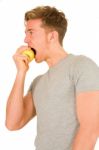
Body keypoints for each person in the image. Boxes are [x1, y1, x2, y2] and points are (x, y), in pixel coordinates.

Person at [5, 5, 99, 150]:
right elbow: (12, 123)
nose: (25, 39)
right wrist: (20, 73)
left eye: (31, 32)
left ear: (52, 36)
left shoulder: (81, 65)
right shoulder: (38, 82)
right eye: (26, 33)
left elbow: (90, 129)